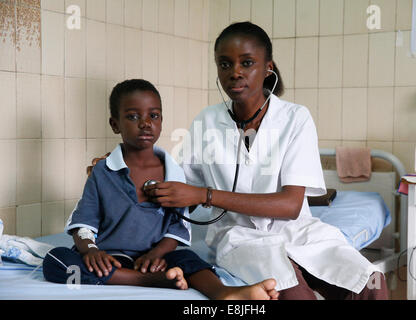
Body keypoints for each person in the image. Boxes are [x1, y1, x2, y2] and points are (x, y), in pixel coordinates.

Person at [144, 22, 389, 300]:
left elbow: (290, 205)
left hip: (296, 232)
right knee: (295, 294)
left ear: (267, 68)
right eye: (224, 64)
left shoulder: (295, 118)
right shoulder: (207, 120)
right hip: (239, 237)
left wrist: (207, 195)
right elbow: (179, 183)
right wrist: (129, 168)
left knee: (371, 284)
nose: (235, 72)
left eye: (246, 63)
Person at [42, 79, 279, 300]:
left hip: (158, 259)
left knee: (188, 259)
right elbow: (84, 223)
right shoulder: (103, 171)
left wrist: (157, 254)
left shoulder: (173, 173)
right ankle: (150, 281)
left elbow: (177, 228)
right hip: (109, 259)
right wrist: (91, 250)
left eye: (153, 115)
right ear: (115, 124)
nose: (145, 123)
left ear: (161, 121)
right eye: (133, 117)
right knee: (58, 260)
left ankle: (225, 293)